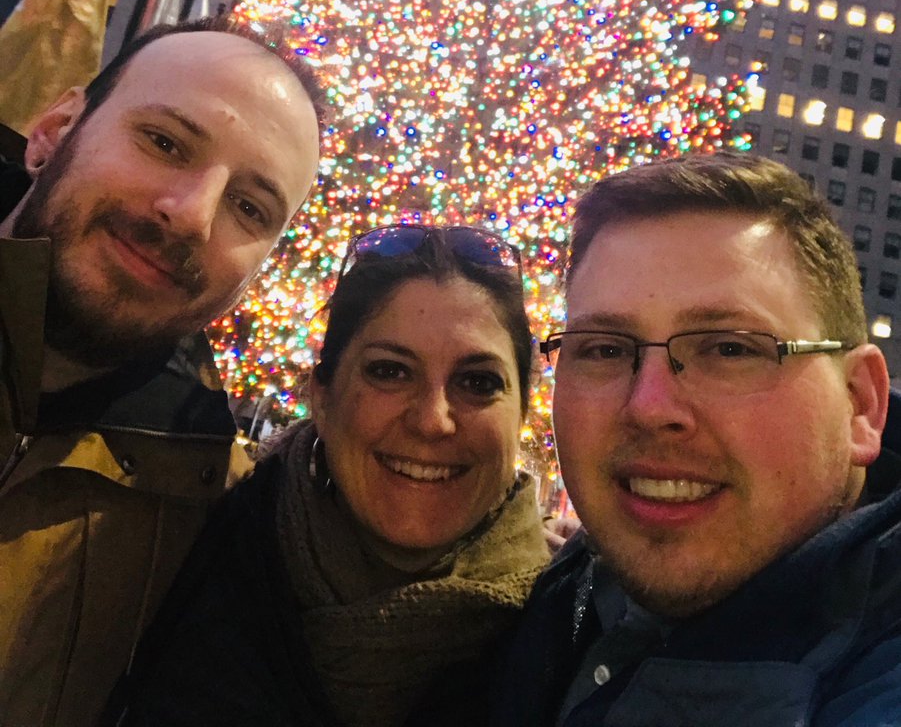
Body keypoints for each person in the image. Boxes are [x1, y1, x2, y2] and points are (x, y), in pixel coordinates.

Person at [492, 152, 901, 727]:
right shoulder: (569, 594)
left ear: (860, 405)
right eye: (605, 350)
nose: (650, 407)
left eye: (729, 349)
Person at [0, 18, 323, 727]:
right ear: (53, 129)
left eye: (249, 206)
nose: (192, 216)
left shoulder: (217, 522)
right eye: (165, 142)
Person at [106, 224, 549, 727]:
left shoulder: (576, 637)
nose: (432, 420)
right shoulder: (175, 550)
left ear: (520, 417)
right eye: (390, 371)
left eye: (478, 381)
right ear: (321, 396)